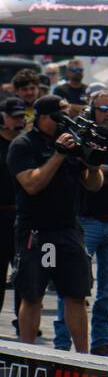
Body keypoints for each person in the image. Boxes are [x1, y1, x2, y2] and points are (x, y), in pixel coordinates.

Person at [9, 96, 105, 349]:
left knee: (76, 295)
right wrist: (58, 154)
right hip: (37, 231)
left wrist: (93, 166)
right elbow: (32, 184)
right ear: (42, 118)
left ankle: (83, 356)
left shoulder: (72, 141)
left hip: (68, 230)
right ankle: (27, 352)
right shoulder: (24, 145)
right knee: (33, 295)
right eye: (59, 116)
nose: (65, 121)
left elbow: (93, 186)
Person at [50, 93, 108, 356]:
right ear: (92, 111)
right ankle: (62, 343)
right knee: (71, 285)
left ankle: (100, 341)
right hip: (86, 221)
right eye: (103, 109)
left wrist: (102, 168)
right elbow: (85, 176)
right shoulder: (80, 141)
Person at [0, 98, 25, 320]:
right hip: (1, 213)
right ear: (4, 118)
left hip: (22, 213)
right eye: (14, 117)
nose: (19, 121)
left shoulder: (27, 143)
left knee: (23, 273)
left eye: (21, 117)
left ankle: (22, 319)